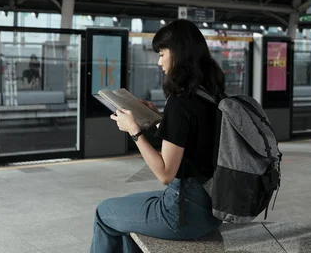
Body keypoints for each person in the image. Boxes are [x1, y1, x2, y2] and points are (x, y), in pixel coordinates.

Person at [90, 19, 225, 253]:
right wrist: (158, 117)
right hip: (213, 208)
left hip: (183, 214)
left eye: (162, 53)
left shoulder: (180, 102)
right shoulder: (211, 95)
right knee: (125, 220)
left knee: (104, 213)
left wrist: (134, 131)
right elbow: (194, 138)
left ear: (179, 53)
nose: (159, 61)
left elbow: (164, 173)